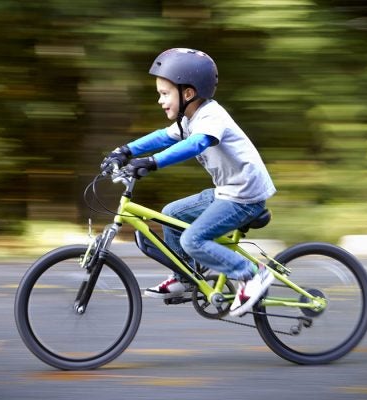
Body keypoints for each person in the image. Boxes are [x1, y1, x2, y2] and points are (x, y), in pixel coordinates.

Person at [100, 48, 276, 317]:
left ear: (188, 93)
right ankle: (185, 277)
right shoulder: (188, 119)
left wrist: (153, 162)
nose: (160, 100)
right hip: (226, 191)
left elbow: (197, 144)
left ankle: (252, 275)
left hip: (245, 196)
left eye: (164, 93)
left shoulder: (211, 117)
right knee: (171, 215)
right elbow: (162, 137)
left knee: (193, 239)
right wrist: (125, 151)